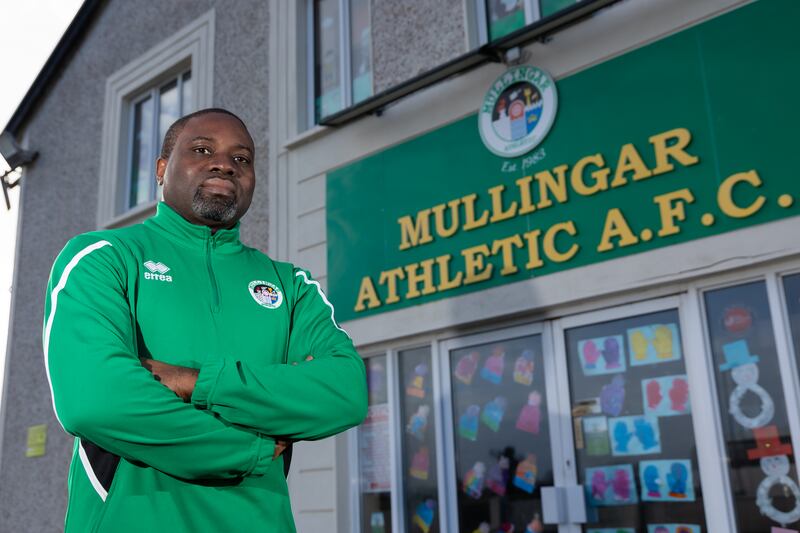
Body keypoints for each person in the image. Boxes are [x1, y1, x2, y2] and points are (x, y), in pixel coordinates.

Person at [43, 108, 367, 532]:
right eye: (201, 149)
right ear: (162, 169)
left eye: (243, 158)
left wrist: (195, 382)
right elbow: (97, 400)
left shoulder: (289, 284)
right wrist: (248, 450)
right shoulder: (104, 256)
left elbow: (345, 392)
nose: (225, 164)